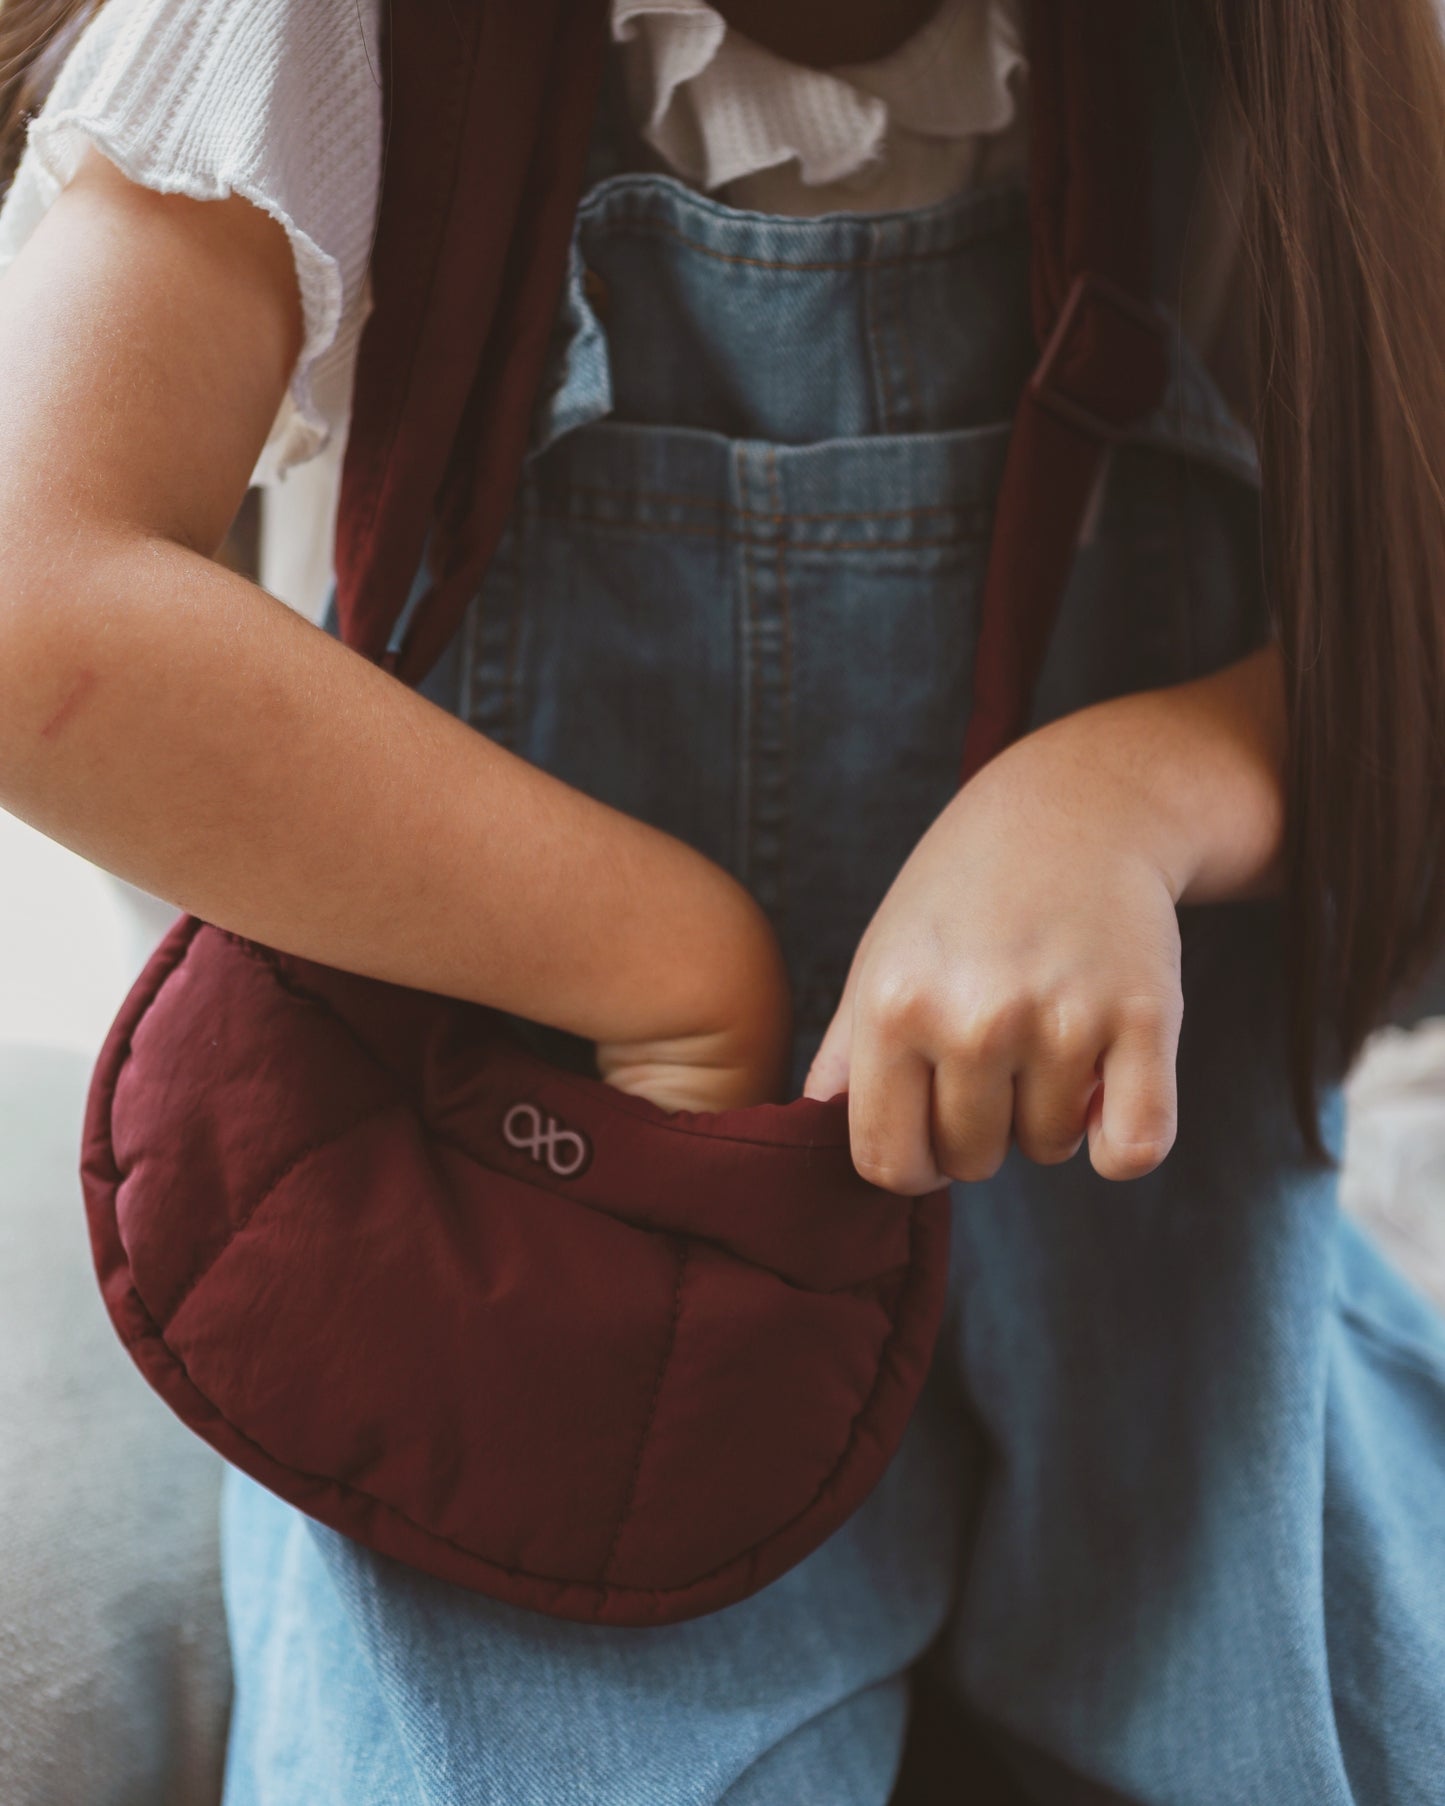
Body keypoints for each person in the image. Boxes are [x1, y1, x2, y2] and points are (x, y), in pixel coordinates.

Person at [0, 0, 1442, 1800]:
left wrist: (1136, 790)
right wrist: (662, 952)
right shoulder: (336, 36)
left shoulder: (1277, 51)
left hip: (1153, 1235)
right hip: (548, 1216)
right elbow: (34, 595)